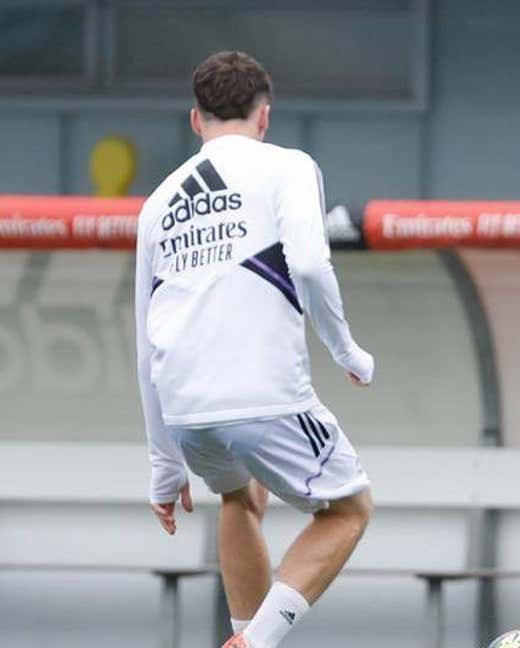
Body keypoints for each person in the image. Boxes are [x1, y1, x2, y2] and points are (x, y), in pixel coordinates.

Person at [135, 50, 376, 648]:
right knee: (349, 509)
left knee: (239, 497)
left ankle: (243, 632)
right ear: (264, 115)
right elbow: (313, 266)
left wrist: (164, 468)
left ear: (196, 120)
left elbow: (145, 340)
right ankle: (257, 640)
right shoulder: (287, 166)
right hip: (264, 396)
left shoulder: (157, 203)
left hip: (186, 408)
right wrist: (347, 351)